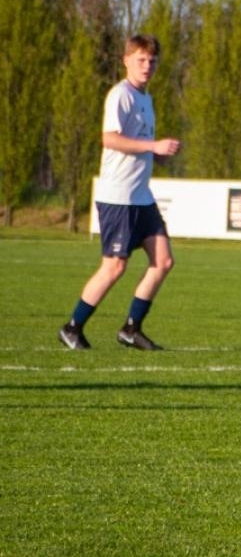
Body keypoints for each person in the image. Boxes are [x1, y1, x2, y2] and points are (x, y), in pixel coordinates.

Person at [58, 33, 180, 352]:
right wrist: (152, 145)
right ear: (126, 61)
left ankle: (131, 328)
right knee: (114, 266)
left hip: (141, 196)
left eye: (152, 61)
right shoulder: (120, 95)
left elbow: (135, 145)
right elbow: (110, 139)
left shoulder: (146, 99)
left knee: (163, 261)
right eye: (140, 59)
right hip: (118, 197)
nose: (147, 66)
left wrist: (156, 154)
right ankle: (73, 327)